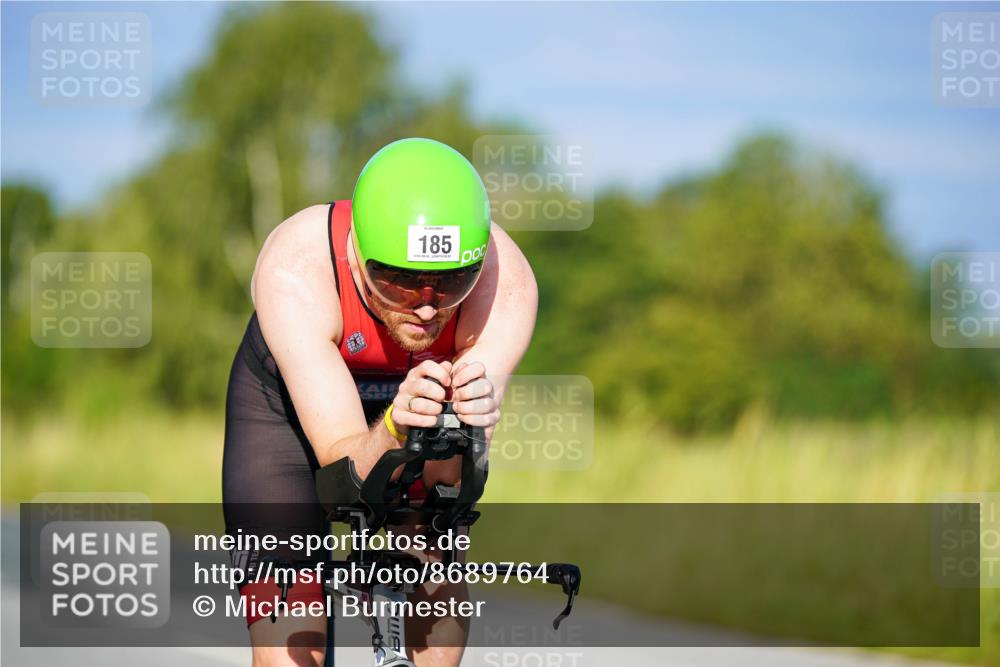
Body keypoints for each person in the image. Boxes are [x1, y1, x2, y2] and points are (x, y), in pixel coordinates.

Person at [222, 137, 538, 667]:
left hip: (412, 409)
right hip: (287, 417)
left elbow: (448, 481)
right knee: (290, 648)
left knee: (434, 554)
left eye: (451, 282)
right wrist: (393, 426)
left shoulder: (506, 286)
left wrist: (445, 451)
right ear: (355, 254)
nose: (426, 309)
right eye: (398, 281)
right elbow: (341, 469)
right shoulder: (295, 267)